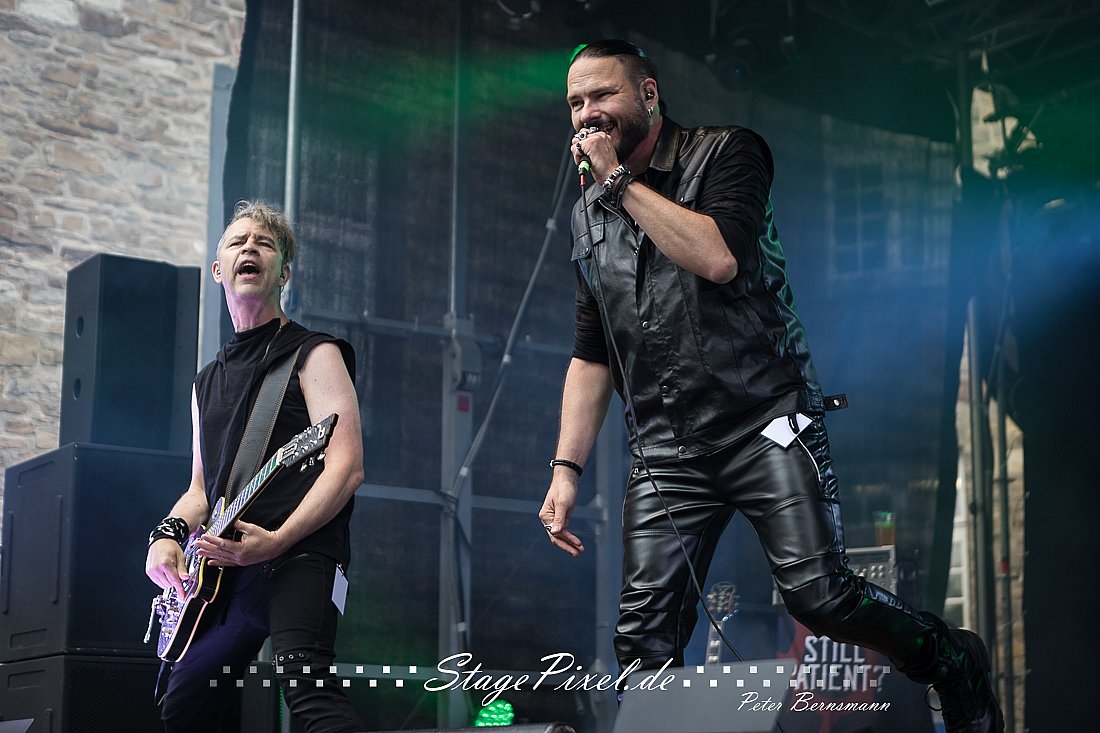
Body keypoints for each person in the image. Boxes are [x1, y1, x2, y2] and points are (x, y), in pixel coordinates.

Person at [538, 40, 1004, 733]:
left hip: (764, 422)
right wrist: (566, 469)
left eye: (602, 94)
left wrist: (619, 183)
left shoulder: (726, 152)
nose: (586, 113)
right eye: (575, 102)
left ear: (648, 95)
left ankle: (950, 657)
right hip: (667, 449)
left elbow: (719, 257)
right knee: (643, 637)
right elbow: (592, 354)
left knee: (820, 597)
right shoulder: (588, 216)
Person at [145, 201, 365, 733]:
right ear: (218, 269)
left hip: (301, 554)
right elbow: (201, 490)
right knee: (184, 707)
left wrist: (278, 539)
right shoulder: (205, 382)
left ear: (283, 273)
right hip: (225, 570)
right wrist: (167, 535)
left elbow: (347, 466)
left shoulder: (315, 353)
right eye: (238, 242)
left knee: (307, 689)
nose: (250, 248)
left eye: (264, 244)